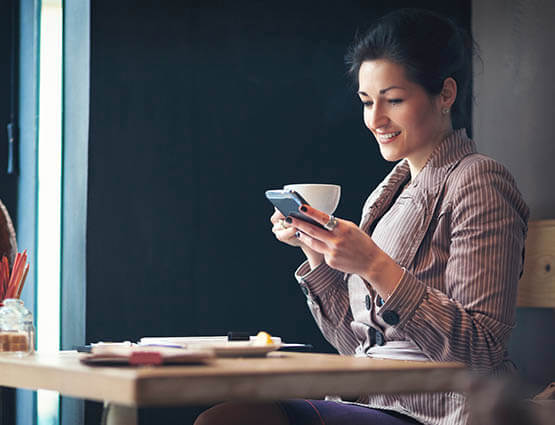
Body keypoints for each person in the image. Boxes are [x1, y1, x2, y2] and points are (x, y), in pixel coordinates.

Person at [194, 8, 529, 425]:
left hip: (437, 412)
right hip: (374, 399)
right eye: (367, 102)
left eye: (394, 100)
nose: (375, 119)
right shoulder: (390, 191)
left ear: (445, 94)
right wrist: (317, 251)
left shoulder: (479, 180)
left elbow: (480, 352)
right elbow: (355, 346)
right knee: (227, 416)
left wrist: (373, 264)